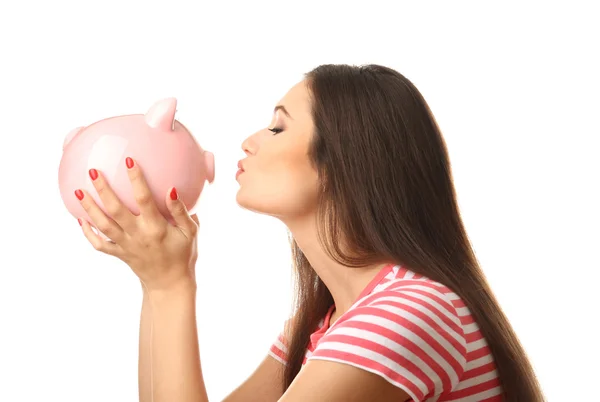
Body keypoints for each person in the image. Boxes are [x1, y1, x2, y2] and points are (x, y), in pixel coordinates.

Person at [74, 64, 545, 401]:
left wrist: (170, 285)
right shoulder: (325, 323)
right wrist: (156, 283)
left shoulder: (412, 313)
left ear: (346, 162)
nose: (250, 141)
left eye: (278, 128)